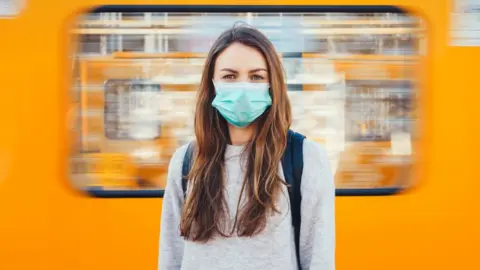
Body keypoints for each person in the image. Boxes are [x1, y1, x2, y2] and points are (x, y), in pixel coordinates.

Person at [158, 24, 335, 270]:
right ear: (212, 85)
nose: (243, 87)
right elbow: (171, 258)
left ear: (272, 84)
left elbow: (319, 260)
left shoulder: (305, 158)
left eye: (256, 77)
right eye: (230, 76)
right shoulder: (186, 161)